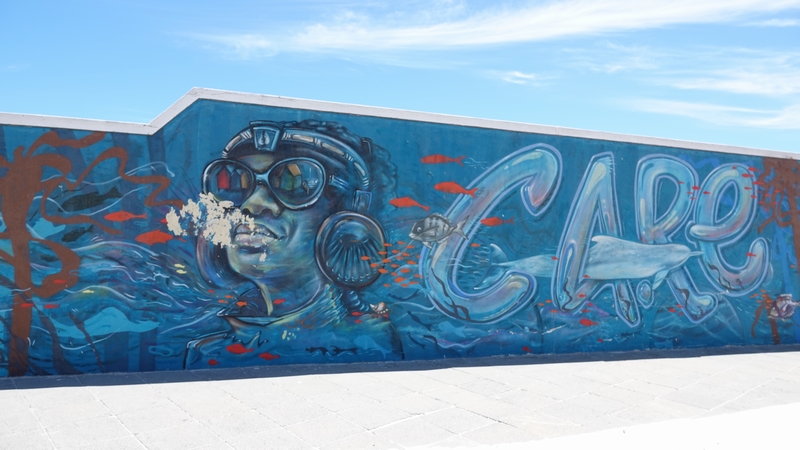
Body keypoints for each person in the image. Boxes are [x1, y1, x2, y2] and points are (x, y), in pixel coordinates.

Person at [184, 120, 403, 368]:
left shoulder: (369, 343)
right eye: (238, 184)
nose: (251, 205)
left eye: (293, 185)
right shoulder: (204, 353)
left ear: (346, 224)